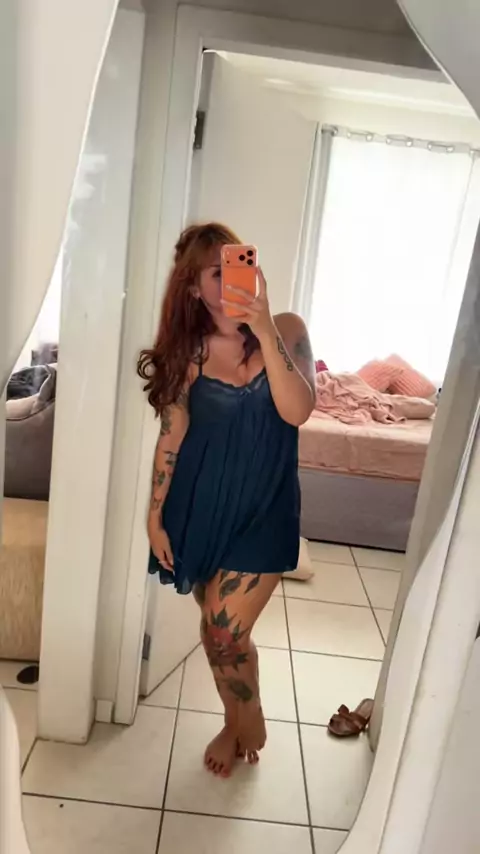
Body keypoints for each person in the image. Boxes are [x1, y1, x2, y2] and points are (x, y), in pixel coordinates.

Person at [138, 223, 315, 778]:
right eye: (218, 272)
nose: (234, 278)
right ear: (195, 288)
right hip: (201, 507)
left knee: (223, 630)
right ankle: (232, 719)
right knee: (221, 637)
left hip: (265, 509)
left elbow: (298, 410)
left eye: (239, 264)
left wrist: (262, 327)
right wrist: (155, 517)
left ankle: (248, 718)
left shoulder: (287, 329)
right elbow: (171, 438)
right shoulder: (188, 354)